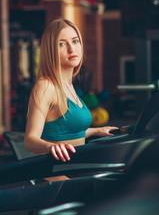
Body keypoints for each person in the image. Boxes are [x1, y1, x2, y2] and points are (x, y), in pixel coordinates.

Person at [24, 17, 117, 180]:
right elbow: (30, 140)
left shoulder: (68, 85)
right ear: (50, 50)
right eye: (62, 44)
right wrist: (51, 146)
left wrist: (95, 131)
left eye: (75, 41)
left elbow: (64, 132)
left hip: (77, 168)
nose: (71, 48)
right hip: (57, 175)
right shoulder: (46, 86)